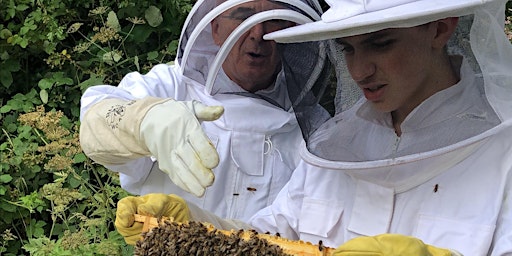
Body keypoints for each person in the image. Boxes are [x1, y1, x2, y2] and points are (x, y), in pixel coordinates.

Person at [124, 0, 512, 254]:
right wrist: (201, 229)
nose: (359, 70)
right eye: (348, 48)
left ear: (440, 28)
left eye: (380, 43)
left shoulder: (504, 154)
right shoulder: (333, 143)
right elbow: (274, 237)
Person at [79, 0, 330, 245]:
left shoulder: (314, 127)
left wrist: (198, 223)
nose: (257, 33)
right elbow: (94, 121)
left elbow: (295, 231)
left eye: (274, 20)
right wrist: (143, 120)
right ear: (215, 28)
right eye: (243, 15)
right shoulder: (171, 86)